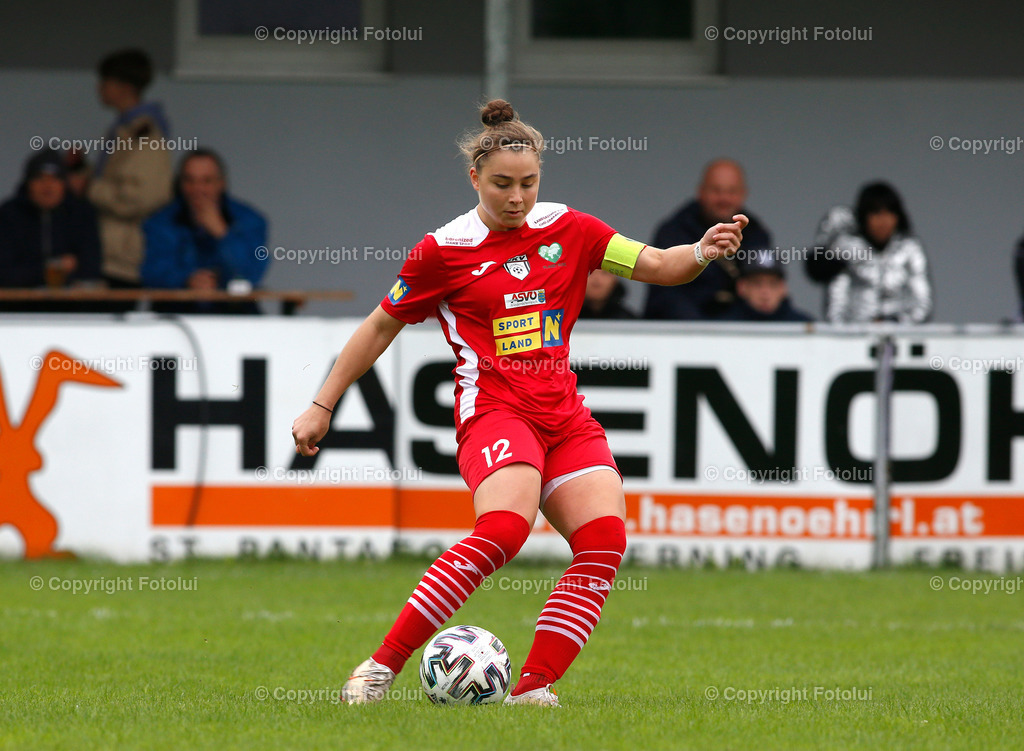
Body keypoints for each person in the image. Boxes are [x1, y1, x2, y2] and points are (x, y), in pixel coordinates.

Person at [291, 100, 746, 706]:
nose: (517, 197)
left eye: (529, 182)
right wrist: (323, 404)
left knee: (605, 539)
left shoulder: (571, 229)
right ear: (474, 178)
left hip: (563, 414)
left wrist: (704, 250)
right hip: (494, 412)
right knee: (505, 529)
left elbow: (660, 266)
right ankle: (378, 669)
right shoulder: (443, 250)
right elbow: (378, 327)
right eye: (503, 184)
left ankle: (532, 690)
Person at [141, 149, 269, 314]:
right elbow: (151, 274)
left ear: (221, 183)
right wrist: (187, 280)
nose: (198, 189)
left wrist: (222, 233)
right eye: (190, 180)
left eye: (206, 181)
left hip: (234, 316)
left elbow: (250, 273)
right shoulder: (160, 222)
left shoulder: (249, 221)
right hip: (178, 313)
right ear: (180, 184)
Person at [87, 48, 173, 290]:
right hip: (110, 253)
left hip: (124, 257)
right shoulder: (125, 128)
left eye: (105, 81)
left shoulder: (146, 134)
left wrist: (89, 188)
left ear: (126, 87)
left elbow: (142, 197)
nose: (99, 88)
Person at [643, 158, 770, 320]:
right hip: (681, 334)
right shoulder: (673, 232)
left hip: (738, 335)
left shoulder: (757, 234)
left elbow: (766, 290)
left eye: (731, 191)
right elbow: (665, 296)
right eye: (716, 190)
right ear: (700, 192)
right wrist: (704, 332)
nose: (724, 199)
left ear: (743, 194)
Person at [0, 150, 101, 311]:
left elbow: (91, 271)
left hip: (72, 312)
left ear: (64, 183)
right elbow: (5, 274)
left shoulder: (81, 213)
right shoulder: (9, 215)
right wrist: (51, 270)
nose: (48, 186)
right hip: (18, 312)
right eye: (40, 178)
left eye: (55, 179)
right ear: (28, 183)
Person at [820, 182, 932, 323]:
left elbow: (922, 303)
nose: (883, 221)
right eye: (876, 213)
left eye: (890, 213)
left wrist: (898, 323)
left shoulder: (910, 249)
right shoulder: (846, 249)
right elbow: (836, 305)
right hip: (856, 336)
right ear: (863, 217)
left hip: (901, 337)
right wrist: (851, 335)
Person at [719, 249, 813, 322]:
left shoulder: (803, 326)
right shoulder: (724, 326)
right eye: (757, 284)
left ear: (783, 288)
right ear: (742, 287)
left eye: (773, 284)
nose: (765, 292)